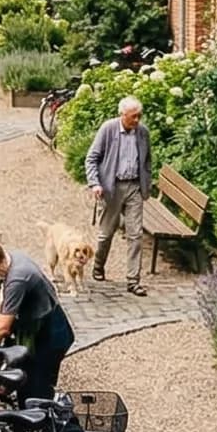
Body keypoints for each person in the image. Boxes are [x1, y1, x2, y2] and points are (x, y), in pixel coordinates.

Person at [0, 237, 74, 401]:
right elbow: (6, 287)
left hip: (50, 336)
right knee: (25, 379)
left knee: (34, 390)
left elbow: (3, 328)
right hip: (43, 325)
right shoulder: (12, 258)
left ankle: (43, 422)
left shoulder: (18, 278)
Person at [84, 95, 153, 294]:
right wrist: (95, 184)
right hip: (111, 188)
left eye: (139, 116)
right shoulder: (108, 129)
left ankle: (133, 280)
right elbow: (91, 158)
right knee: (106, 234)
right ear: (122, 115)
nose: (137, 120)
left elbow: (147, 160)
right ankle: (98, 265)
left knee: (135, 234)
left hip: (134, 188)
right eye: (133, 117)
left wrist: (145, 183)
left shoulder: (143, 132)